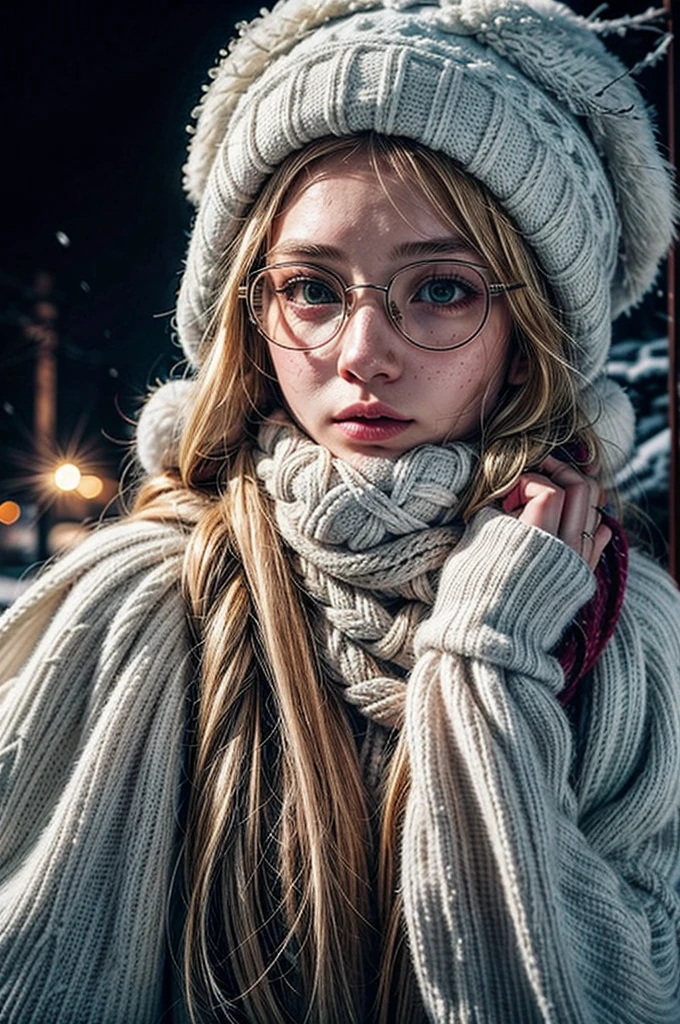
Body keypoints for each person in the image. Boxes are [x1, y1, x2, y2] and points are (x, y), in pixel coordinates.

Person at [1, 0, 679, 1021]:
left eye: (440, 288)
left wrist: (489, 654)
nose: (362, 353)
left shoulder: (624, 637)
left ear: (529, 326)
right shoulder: (137, 603)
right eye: (313, 289)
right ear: (249, 310)